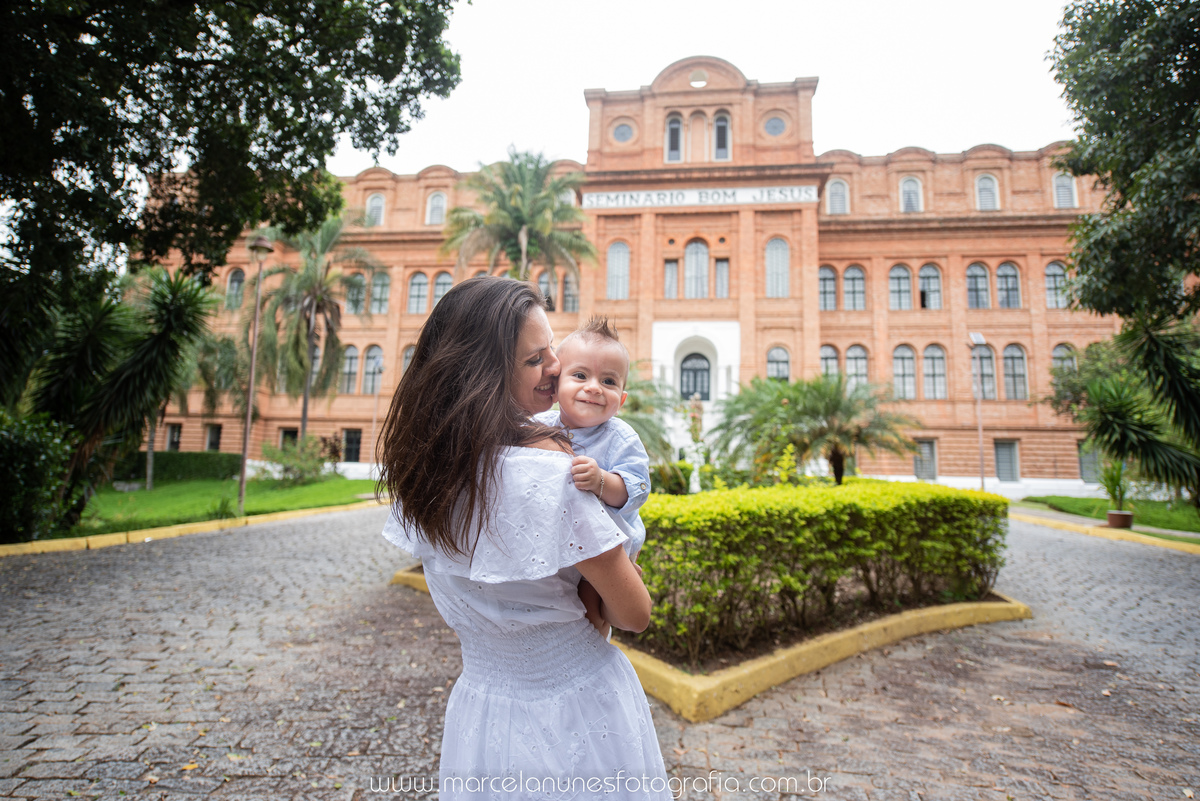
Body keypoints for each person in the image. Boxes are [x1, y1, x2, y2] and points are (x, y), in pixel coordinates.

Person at [377, 277, 672, 800]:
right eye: (537, 359)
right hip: (577, 709)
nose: (556, 366)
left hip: (481, 710)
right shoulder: (553, 473)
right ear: (486, 374)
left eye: (551, 349)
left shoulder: (425, 476)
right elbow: (634, 614)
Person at [533, 317, 651, 636]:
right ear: (555, 385)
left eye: (609, 381)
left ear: (621, 399)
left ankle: (594, 644)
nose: (594, 387)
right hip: (562, 542)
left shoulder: (620, 437)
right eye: (581, 375)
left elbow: (636, 489)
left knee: (590, 613)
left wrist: (602, 481)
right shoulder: (539, 426)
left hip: (607, 546)